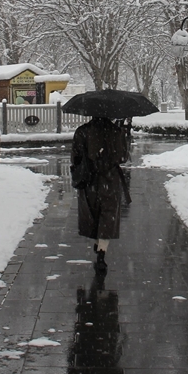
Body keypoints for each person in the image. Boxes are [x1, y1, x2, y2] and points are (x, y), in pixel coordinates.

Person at [71, 116, 129, 273]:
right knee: (108, 214)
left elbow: (75, 157)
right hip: (111, 180)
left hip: (90, 180)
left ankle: (98, 241)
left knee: (93, 213)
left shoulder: (82, 132)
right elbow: (123, 157)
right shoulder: (117, 132)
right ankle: (102, 251)